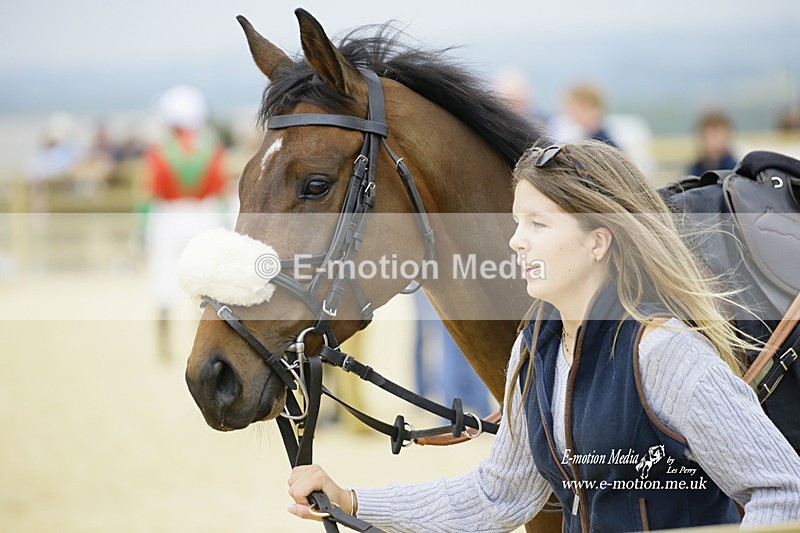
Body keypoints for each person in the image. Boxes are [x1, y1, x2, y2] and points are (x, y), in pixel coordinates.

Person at [285, 140, 800, 531]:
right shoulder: (534, 352)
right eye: (516, 222)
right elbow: (496, 496)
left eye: (538, 224)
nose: (515, 241)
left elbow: (784, 492)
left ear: (599, 240)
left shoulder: (666, 353)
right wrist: (352, 500)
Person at [142, 85, 229, 361]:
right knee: (204, 288)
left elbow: (150, 192)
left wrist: (140, 231)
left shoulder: (159, 150)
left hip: (167, 217)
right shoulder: (211, 148)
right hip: (204, 216)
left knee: (163, 284)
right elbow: (219, 188)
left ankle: (164, 350)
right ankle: (201, 347)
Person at [687, 111, 738, 176]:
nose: (715, 141)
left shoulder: (736, 171)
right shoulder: (694, 170)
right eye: (711, 136)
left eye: (717, 135)